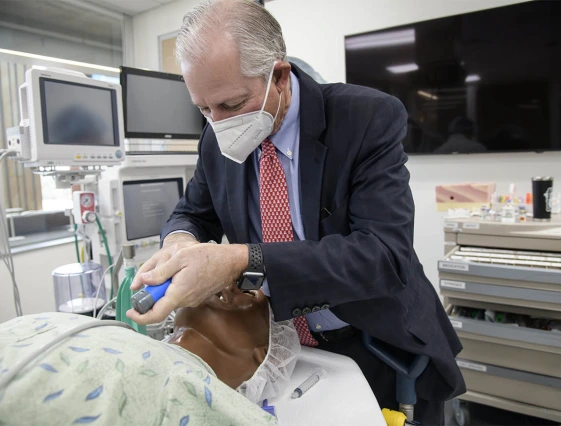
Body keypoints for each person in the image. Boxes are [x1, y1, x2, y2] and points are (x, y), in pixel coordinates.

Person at [126, 0, 465, 423]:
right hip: (285, 346)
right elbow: (191, 212)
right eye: (203, 109)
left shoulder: (364, 119)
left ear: (279, 77)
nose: (217, 123)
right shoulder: (215, 140)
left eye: (231, 105)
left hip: (377, 338)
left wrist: (238, 260)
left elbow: (383, 255)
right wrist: (179, 243)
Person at [0, 286, 299, 425]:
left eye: (248, 294)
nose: (230, 285)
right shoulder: (117, 335)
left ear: (263, 356)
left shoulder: (214, 407)